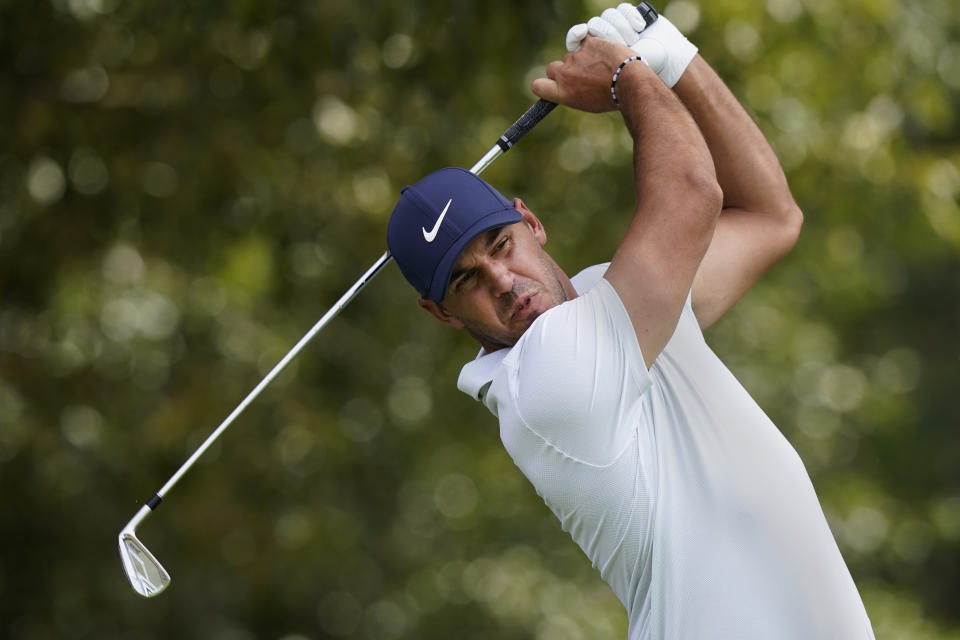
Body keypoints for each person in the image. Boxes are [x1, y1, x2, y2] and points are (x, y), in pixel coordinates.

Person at [387, 4, 875, 638]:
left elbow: (770, 216)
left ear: (530, 223)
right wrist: (627, 77)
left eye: (500, 246)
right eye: (466, 280)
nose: (503, 284)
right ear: (440, 313)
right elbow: (693, 194)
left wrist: (669, 54)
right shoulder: (544, 383)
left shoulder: (611, 302)